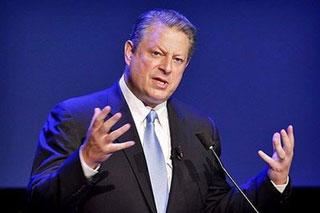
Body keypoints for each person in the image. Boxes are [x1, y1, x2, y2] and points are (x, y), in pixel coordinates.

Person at [28, 9, 294, 213]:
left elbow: (217, 208)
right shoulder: (76, 118)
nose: (167, 67)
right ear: (130, 52)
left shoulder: (199, 129)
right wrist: (86, 160)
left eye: (177, 59)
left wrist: (273, 182)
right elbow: (39, 203)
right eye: (157, 53)